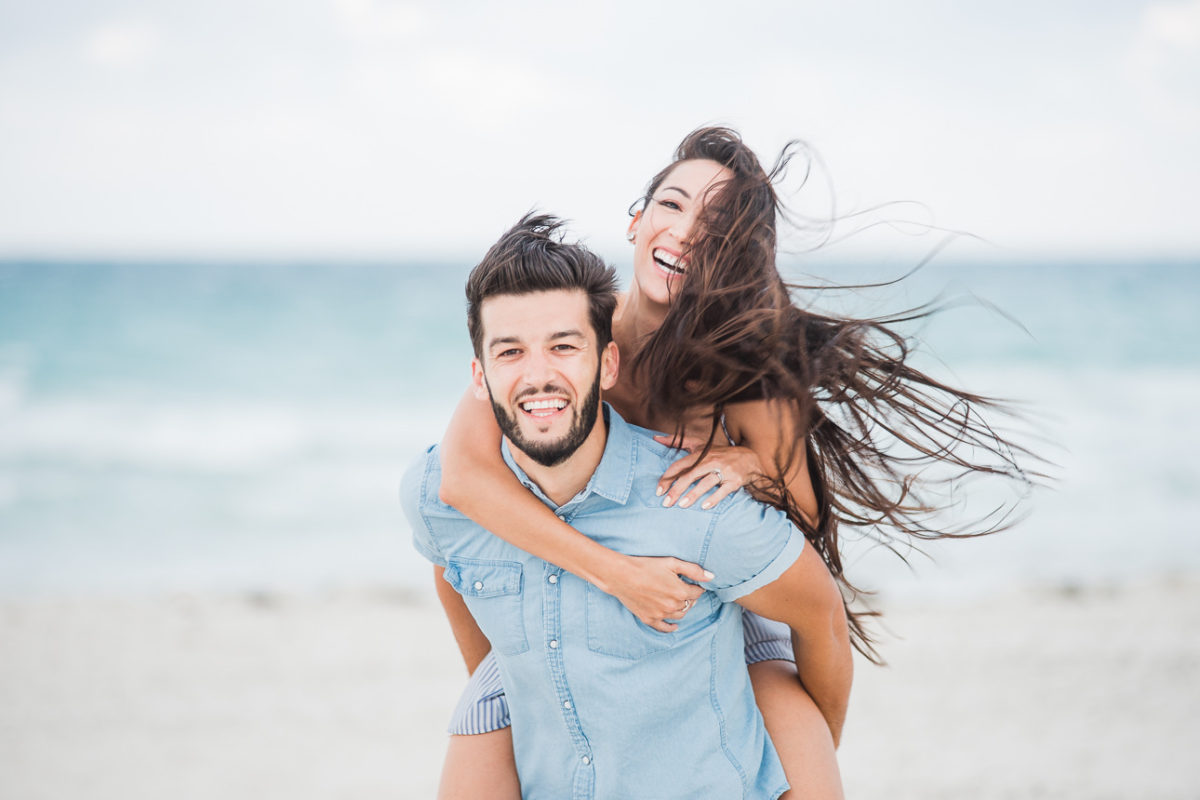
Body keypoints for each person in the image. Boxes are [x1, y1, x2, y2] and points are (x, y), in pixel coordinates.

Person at [434, 127, 1032, 798]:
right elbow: (457, 485)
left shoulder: (743, 371)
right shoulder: (564, 338)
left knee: (800, 751)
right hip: (574, 594)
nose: (687, 232)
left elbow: (805, 518)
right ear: (637, 221)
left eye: (718, 227)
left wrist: (751, 465)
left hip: (715, 602)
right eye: (672, 204)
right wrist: (616, 580)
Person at [403, 214, 839, 799]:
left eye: (563, 346)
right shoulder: (441, 491)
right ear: (479, 376)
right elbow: (452, 550)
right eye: (511, 352)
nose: (538, 373)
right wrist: (509, 679)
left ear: (608, 363)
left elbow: (819, 603)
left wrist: (749, 462)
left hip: (730, 588)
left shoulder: (705, 473)